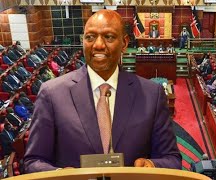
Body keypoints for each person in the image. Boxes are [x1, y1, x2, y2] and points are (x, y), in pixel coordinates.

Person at [24, 10, 181, 173]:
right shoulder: (52, 94)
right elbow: (33, 161)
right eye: (90, 37)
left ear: (124, 44)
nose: (98, 45)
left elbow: (171, 159)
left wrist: (151, 165)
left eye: (109, 37)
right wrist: (60, 175)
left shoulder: (152, 95)